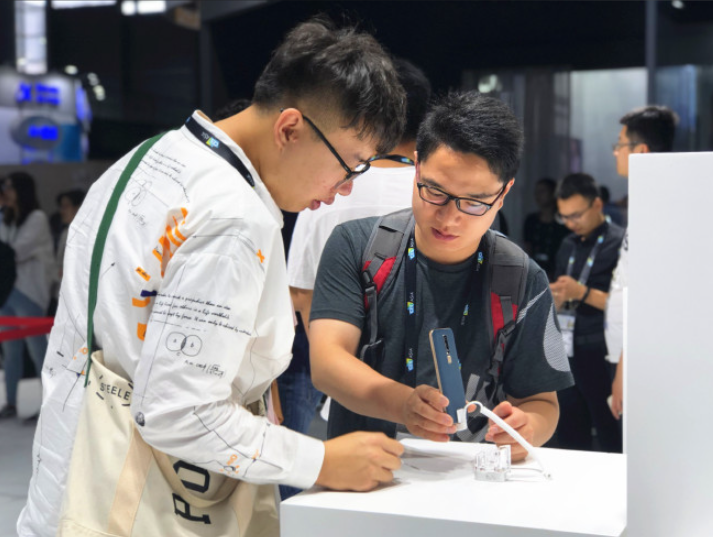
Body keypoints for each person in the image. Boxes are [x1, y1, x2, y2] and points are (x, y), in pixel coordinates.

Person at [18, 18, 407, 537]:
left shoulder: (147, 157)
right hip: (135, 503)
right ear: (290, 129)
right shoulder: (233, 217)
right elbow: (179, 412)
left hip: (70, 474)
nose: (345, 189)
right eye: (350, 165)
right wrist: (321, 462)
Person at [309, 92, 574, 461]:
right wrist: (404, 405)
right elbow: (327, 363)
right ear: (416, 168)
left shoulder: (522, 279)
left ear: (503, 194)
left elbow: (543, 402)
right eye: (435, 191)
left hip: (472, 478)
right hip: (365, 472)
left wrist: (527, 428)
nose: (450, 218)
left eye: (474, 202)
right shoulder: (357, 247)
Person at [281, 58, 431, 499]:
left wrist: (337, 362)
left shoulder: (329, 185)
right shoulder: (439, 190)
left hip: (340, 387)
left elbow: (301, 294)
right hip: (433, 386)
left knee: (336, 502)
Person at [607, 105, 677, 419]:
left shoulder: (660, 207)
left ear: (641, 151)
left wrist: (625, 368)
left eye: (620, 145)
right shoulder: (649, 200)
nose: (615, 152)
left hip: (640, 358)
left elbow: (648, 296)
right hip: (629, 352)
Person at [550, 173, 624, 452]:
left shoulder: (619, 242)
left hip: (602, 351)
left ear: (597, 204)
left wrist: (581, 292)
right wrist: (556, 297)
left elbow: (627, 305)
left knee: (608, 429)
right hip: (567, 348)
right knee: (570, 428)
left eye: (576, 215)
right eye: (564, 217)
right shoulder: (568, 244)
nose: (571, 223)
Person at [0, 172, 54, 419]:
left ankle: (50, 405)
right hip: (7, 292)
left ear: (22, 190)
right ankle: (11, 402)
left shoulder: (37, 218)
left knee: (37, 350)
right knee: (10, 351)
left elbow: (15, 252)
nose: (6, 192)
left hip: (29, 292)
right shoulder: (8, 218)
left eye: (10, 187)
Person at [522, 177, 570, 281]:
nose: (538, 195)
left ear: (553, 193)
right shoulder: (531, 220)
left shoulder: (564, 223)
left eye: (542, 191)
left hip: (557, 273)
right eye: (536, 192)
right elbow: (528, 247)